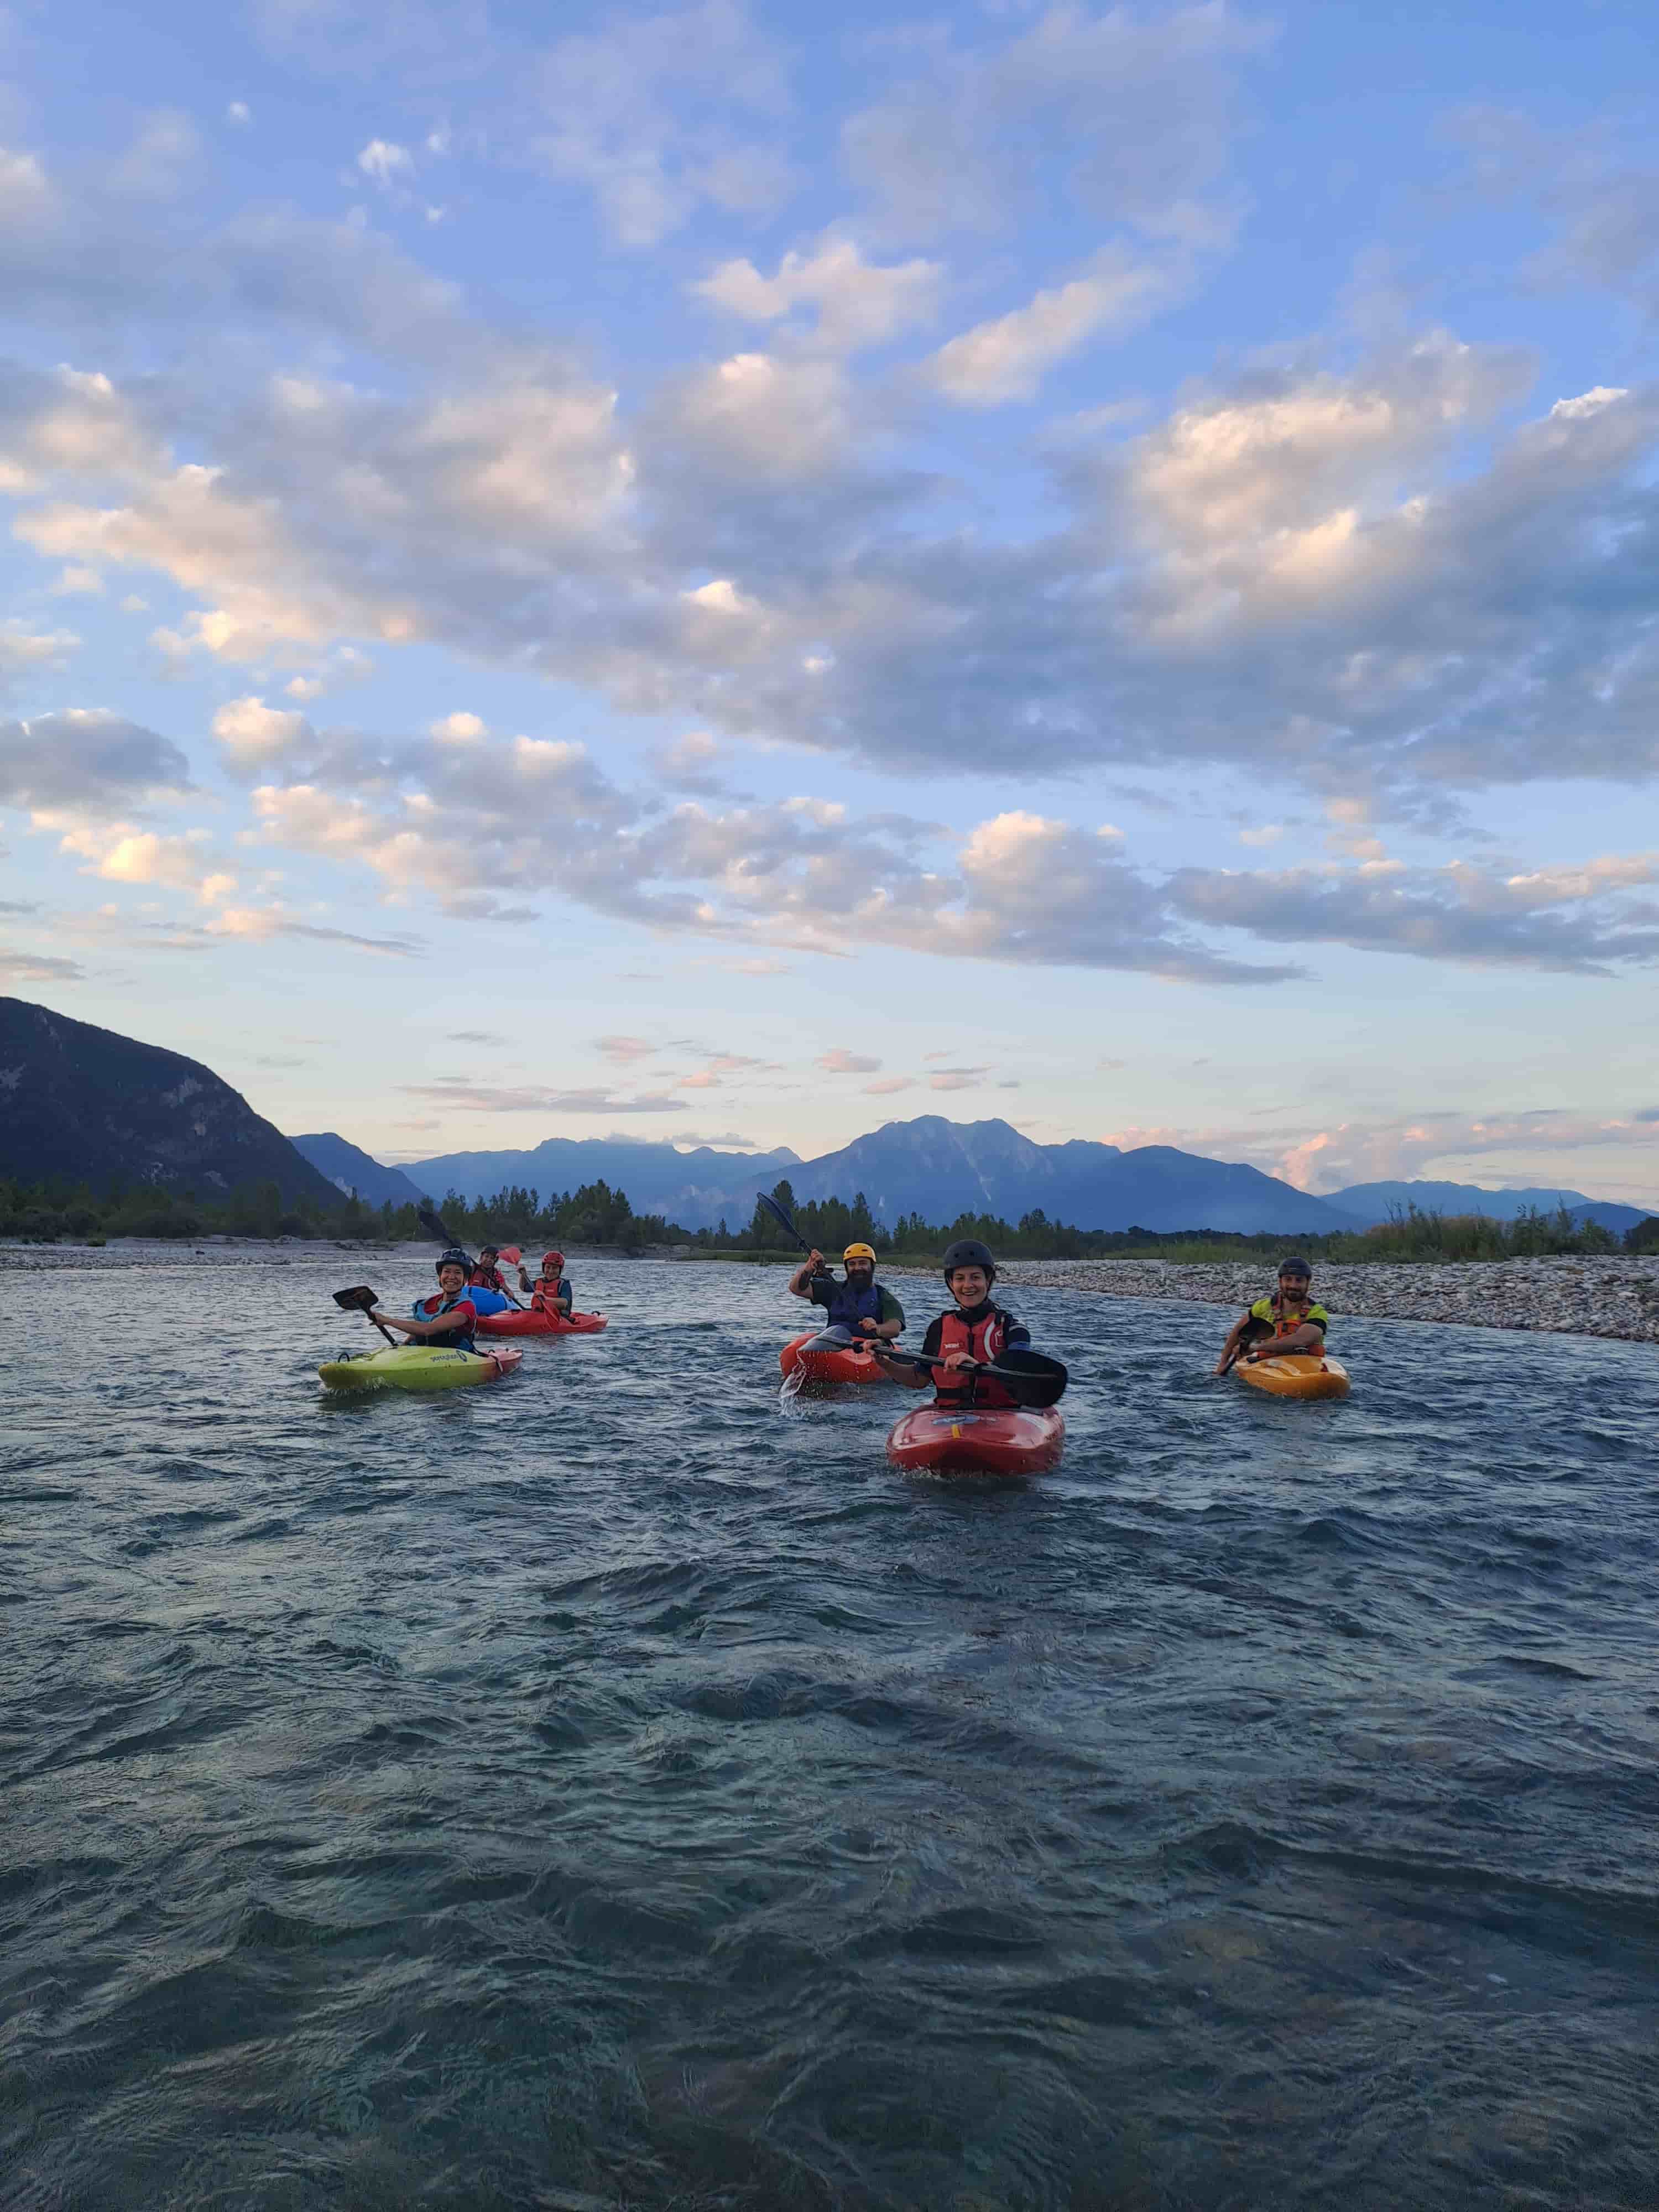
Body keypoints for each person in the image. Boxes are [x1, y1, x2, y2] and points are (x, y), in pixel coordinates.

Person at [873, 1239, 1029, 1406]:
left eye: (975, 1277)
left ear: (988, 1281)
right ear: (951, 1284)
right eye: (960, 1278)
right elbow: (919, 1378)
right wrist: (884, 1362)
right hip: (951, 1422)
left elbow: (1018, 1369)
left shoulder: (1012, 1328)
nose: (968, 1285)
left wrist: (977, 1366)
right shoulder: (938, 1328)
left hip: (1002, 1416)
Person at [1214, 1255, 1331, 1375]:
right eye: (1288, 1279)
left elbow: (1300, 1340)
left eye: (1299, 1280)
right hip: (1269, 1364)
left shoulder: (1317, 1312)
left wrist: (1254, 1348)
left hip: (1306, 1366)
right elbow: (1237, 1332)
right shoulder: (1263, 1307)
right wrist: (1223, 1363)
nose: (1293, 1285)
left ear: (1308, 1283)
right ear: (1280, 1281)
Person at [787, 1238, 905, 1351]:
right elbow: (797, 1289)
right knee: (837, 1331)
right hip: (835, 1342)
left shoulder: (883, 1296)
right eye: (852, 1264)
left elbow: (894, 1328)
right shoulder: (833, 1289)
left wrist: (877, 1328)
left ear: (872, 1266)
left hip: (867, 1347)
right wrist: (809, 1267)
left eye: (863, 1263)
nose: (857, 1268)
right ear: (847, 1267)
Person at [370, 1251, 479, 1349]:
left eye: (458, 1273)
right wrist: (403, 1347)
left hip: (458, 1358)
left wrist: (387, 1321)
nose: (451, 1277)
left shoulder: (466, 1306)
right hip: (426, 1356)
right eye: (447, 1271)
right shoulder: (428, 1303)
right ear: (440, 1276)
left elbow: (428, 1329)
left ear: (465, 1279)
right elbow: (417, 1332)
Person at [525, 1250, 573, 1320]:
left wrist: (545, 1299)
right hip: (539, 1315)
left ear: (560, 1269)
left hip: (559, 1318)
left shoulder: (564, 1284)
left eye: (554, 1268)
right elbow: (523, 1287)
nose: (551, 1271)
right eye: (548, 1267)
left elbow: (564, 1303)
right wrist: (522, 1273)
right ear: (543, 1268)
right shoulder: (539, 1282)